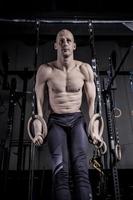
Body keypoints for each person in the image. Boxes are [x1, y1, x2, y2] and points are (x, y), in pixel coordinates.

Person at [32, 29, 101, 200]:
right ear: (55, 45)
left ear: (74, 45)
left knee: (81, 170)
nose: (65, 43)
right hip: (56, 121)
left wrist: (95, 132)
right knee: (60, 172)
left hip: (77, 120)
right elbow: (39, 106)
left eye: (69, 40)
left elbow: (93, 105)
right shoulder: (45, 70)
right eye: (61, 40)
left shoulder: (84, 69)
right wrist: (39, 131)